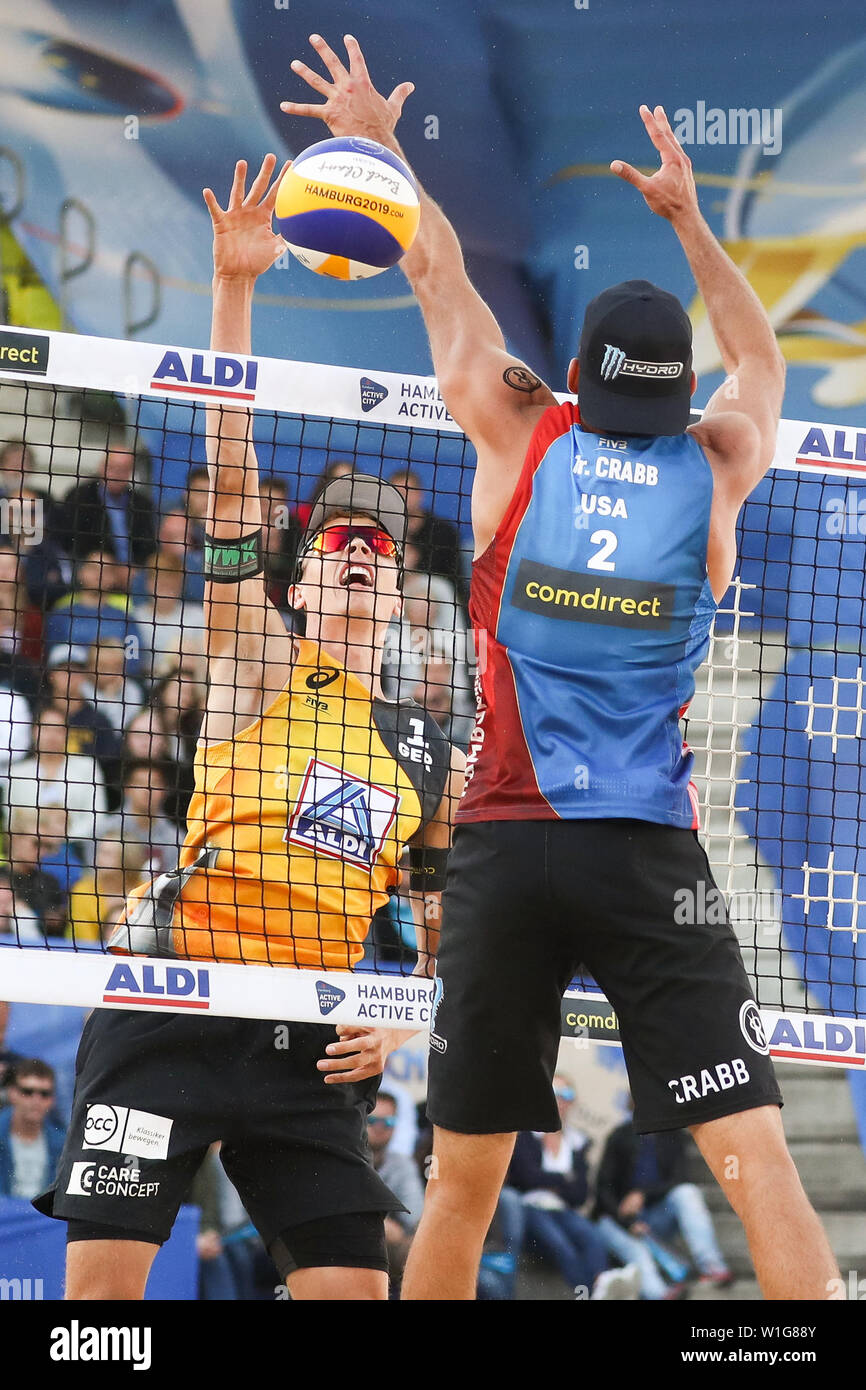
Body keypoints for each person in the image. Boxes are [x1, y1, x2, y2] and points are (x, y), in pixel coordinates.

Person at [283, 35, 838, 1301]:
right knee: (751, 1152)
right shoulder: (716, 457)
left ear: (576, 379)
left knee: (463, 1176)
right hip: (642, 849)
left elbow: (438, 274)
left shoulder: (517, 430)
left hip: (501, 850)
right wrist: (693, 226)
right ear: (676, 390)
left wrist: (373, 147)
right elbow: (765, 364)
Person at [34, 153, 464, 1303]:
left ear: (405, 588)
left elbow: (439, 919)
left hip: (310, 1046)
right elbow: (232, 491)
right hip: (177, 1004)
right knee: (97, 1318)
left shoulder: (432, 747)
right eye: (334, 545)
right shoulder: (257, 656)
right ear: (298, 585)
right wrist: (235, 291)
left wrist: (398, 1024)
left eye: (378, 546)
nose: (360, 553)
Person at [508, 1075, 641, 1299]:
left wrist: (551, 1181)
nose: (559, 1100)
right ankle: (593, 1292)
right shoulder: (525, 1135)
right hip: (530, 1209)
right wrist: (563, 1179)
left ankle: (601, 1282)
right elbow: (526, 1179)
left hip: (562, 1210)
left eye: (566, 1095)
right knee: (561, 1244)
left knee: (592, 1236)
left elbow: (580, 1193)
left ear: (572, 1102)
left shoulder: (577, 1142)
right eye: (554, 1093)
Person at [594, 1104, 731, 1300]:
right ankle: (660, 1294)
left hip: (656, 1218)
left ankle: (711, 1266)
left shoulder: (673, 1135)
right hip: (617, 1221)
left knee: (687, 1192)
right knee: (633, 1247)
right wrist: (628, 1222)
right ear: (632, 1103)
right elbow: (602, 1190)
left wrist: (643, 1194)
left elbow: (680, 1178)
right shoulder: (619, 1136)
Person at [52, 443, 156, 566]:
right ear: (101, 467)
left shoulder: (142, 504)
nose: (117, 474)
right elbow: (72, 541)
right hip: (92, 565)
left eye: (123, 469)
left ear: (131, 472)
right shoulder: (80, 497)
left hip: (133, 570)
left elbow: (147, 546)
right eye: (112, 467)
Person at [366, 1091, 425, 1295]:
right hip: (342, 1244)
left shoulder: (402, 1164)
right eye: (372, 1120)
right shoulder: (341, 1160)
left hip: (392, 1250)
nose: (380, 1127)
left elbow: (416, 1216)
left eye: (388, 1122)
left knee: (425, 1251)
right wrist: (379, 1224)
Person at [0, 1059, 66, 1198]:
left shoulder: (64, 1144)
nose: (36, 1100)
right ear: (12, 1093)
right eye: (28, 1092)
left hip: (44, 1219)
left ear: (52, 1100)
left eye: (44, 1094)